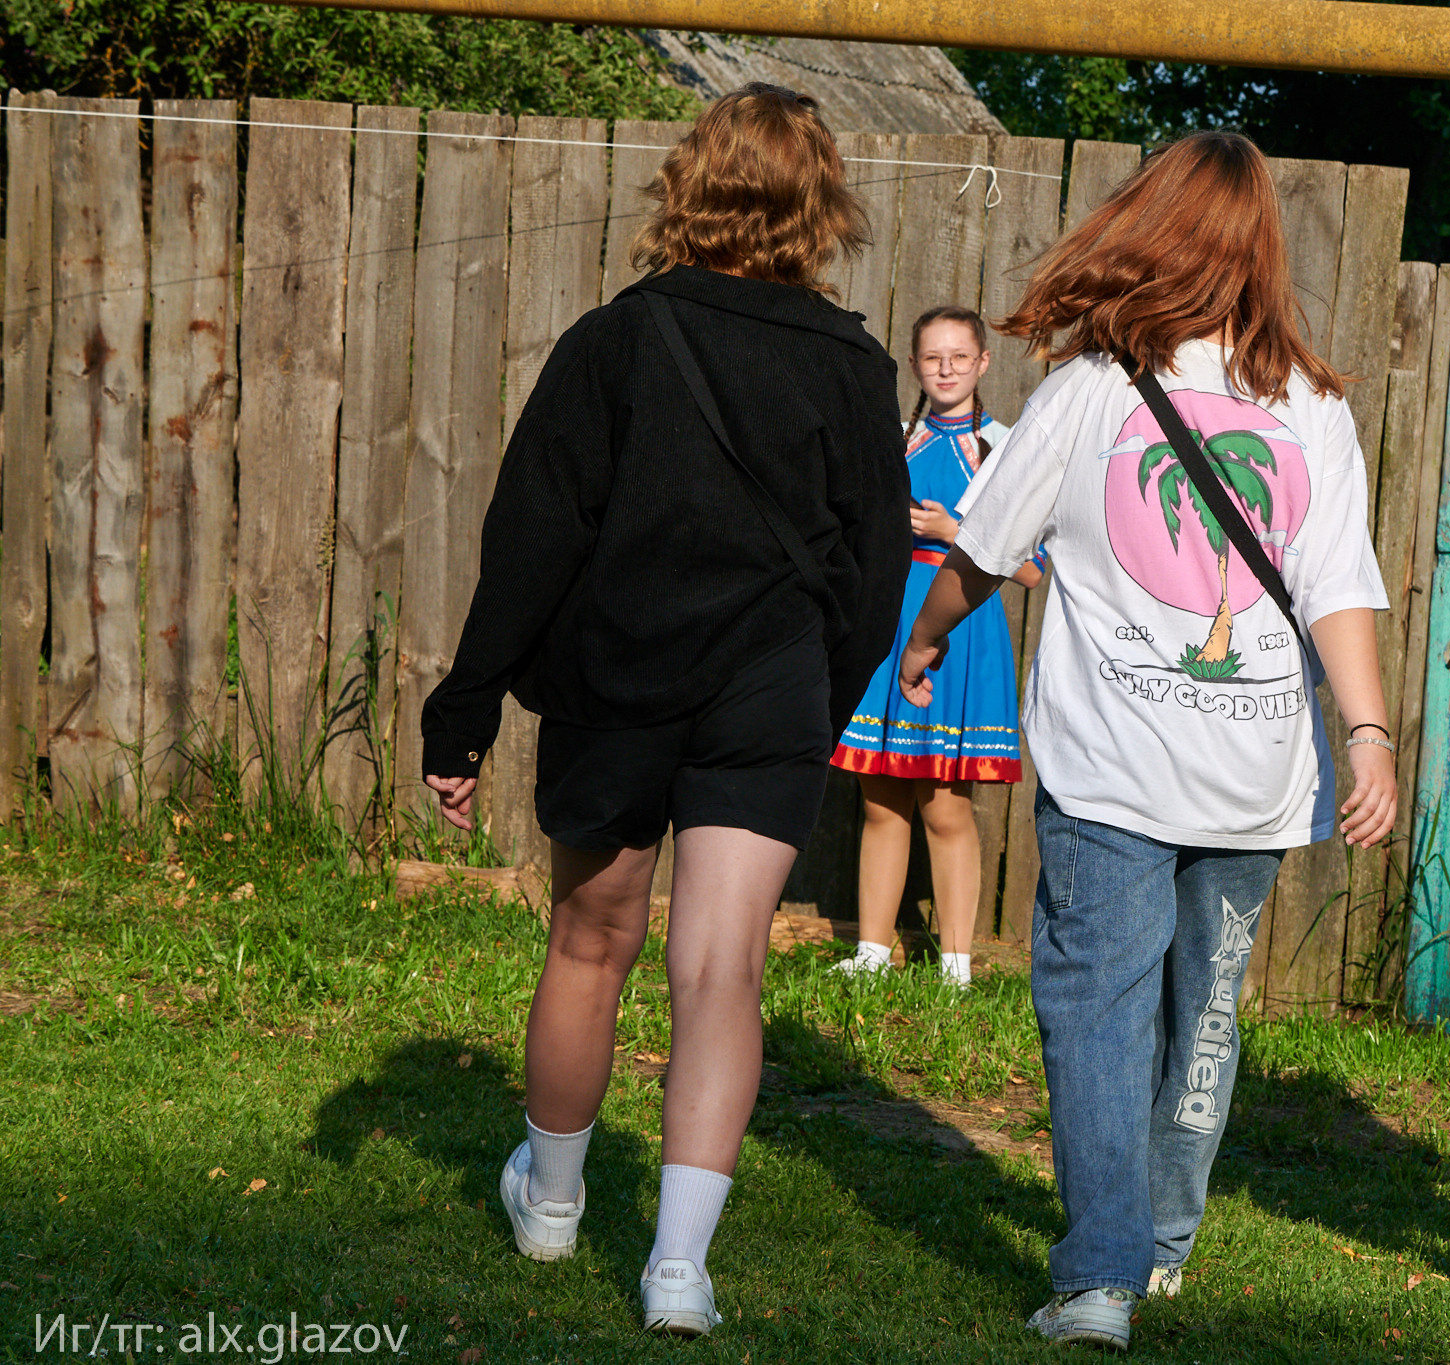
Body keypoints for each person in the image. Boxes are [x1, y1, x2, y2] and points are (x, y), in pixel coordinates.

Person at [417, 84, 909, 1338]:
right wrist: (815, 696)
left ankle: (553, 1205)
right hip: (768, 695)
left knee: (590, 945)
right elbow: (875, 571)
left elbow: (528, 543)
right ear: (820, 207)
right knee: (721, 971)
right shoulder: (854, 364)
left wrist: (460, 716)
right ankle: (679, 1271)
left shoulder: (616, 340)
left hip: (617, 684)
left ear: (684, 185)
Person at [897, 131, 1400, 1351]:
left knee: (1099, 1009)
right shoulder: (1313, 407)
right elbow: (1337, 584)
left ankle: (1101, 1278)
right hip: (1256, 775)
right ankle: (1157, 1246)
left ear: (1141, 229)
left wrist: (920, 642)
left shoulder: (1084, 393)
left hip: (1109, 766)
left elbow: (982, 548)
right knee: (1205, 1010)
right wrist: (1369, 734)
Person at [830, 305, 1041, 987]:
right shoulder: (894, 441)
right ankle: (872, 952)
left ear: (983, 363)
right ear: (914, 365)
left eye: (959, 356)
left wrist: (959, 534)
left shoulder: (1005, 448)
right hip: (888, 623)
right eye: (931, 358)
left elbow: (1037, 570)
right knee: (879, 795)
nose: (945, 369)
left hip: (962, 629)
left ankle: (956, 965)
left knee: (945, 803)